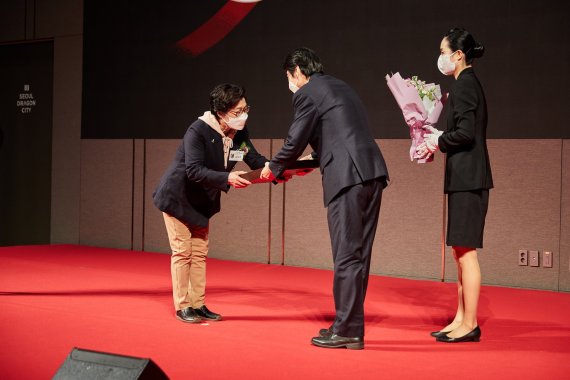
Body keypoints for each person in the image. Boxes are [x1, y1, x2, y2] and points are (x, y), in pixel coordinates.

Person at [261, 47, 389, 349]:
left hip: (347, 178)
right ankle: (351, 327)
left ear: (297, 71)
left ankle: (346, 328)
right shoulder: (340, 86)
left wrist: (275, 168)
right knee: (359, 256)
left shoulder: (307, 92)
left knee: (346, 254)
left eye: (288, 77)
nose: (289, 84)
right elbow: (338, 133)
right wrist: (309, 162)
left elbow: (295, 138)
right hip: (372, 173)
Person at [153, 83, 268, 323]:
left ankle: (198, 304)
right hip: (178, 197)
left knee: (199, 253)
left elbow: (254, 159)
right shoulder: (198, 131)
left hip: (203, 200)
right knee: (183, 252)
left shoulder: (240, 134)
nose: (243, 116)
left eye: (246, 109)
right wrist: (226, 177)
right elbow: (194, 170)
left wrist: (281, 170)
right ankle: (183, 306)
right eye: (237, 113)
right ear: (220, 112)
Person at [417, 28, 493, 343]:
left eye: (443, 50)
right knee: (460, 250)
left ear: (458, 54)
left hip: (469, 178)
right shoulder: (466, 84)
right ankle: (460, 318)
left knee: (467, 253)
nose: (441, 58)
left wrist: (437, 140)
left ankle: (470, 323)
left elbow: (465, 134)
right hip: (465, 177)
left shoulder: (464, 85)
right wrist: (438, 137)